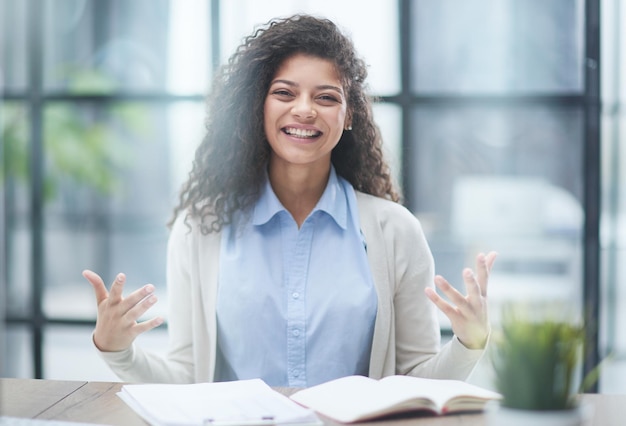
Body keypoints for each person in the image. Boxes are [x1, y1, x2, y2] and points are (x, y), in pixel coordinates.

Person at [82, 14, 497, 387]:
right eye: (284, 93)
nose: (305, 110)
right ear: (257, 106)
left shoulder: (394, 231)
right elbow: (188, 376)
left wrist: (469, 341)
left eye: (326, 97)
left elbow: (415, 381)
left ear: (349, 115)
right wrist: (117, 349)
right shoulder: (201, 228)